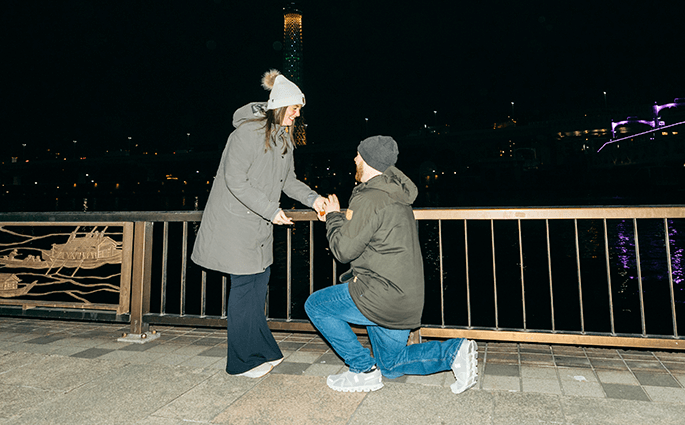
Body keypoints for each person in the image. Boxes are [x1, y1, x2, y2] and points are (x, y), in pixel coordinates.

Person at [304, 135, 478, 394]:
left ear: (369, 161)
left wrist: (332, 218)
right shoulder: (395, 194)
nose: (354, 159)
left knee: (317, 306)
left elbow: (343, 250)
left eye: (358, 155)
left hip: (380, 293)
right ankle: (454, 351)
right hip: (405, 295)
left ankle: (362, 370)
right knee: (391, 364)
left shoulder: (371, 198)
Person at [192, 70, 327, 378]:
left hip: (258, 227)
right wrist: (270, 210)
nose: (297, 115)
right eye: (294, 109)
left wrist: (314, 199)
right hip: (235, 226)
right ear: (280, 106)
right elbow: (234, 180)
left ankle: (263, 351)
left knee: (257, 288)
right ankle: (240, 363)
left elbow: (288, 181)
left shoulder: (283, 138)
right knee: (243, 290)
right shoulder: (246, 134)